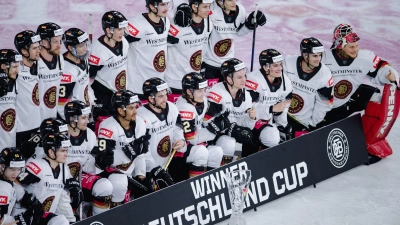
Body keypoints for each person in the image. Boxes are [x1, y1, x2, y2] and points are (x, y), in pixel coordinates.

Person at [322, 23, 399, 160]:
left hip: (349, 100)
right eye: (351, 47)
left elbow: (381, 66)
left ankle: (368, 139)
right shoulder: (323, 59)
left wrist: (389, 73)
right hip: (325, 110)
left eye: (357, 46)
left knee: (376, 96)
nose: (355, 50)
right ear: (340, 45)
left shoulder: (364, 57)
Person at [97, 90, 150, 205]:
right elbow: (104, 161)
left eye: (136, 107)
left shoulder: (140, 123)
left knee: (152, 174)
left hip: (131, 167)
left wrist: (141, 177)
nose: (136, 111)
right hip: (112, 171)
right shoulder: (108, 127)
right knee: (119, 184)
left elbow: (140, 154)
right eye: (131, 108)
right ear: (120, 110)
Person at [17, 133, 81, 224]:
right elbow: (15, 183)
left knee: (61, 221)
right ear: (51, 152)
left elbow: (62, 198)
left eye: (66, 151)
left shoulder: (64, 171)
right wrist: (25, 198)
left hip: (42, 216)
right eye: (63, 151)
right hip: (25, 216)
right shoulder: (37, 166)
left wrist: (71, 220)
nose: (66, 154)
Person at [63, 100, 113, 216]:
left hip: (79, 177)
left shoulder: (89, 134)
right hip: (58, 181)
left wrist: (99, 163)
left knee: (105, 186)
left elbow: (87, 166)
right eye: (83, 118)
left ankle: (99, 221)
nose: (87, 121)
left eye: (88, 117)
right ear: (72, 119)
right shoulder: (59, 135)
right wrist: (68, 181)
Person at [172, 73, 223, 182]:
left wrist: (217, 122)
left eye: (204, 89)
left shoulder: (201, 99)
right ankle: (197, 188)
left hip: (195, 143)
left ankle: (211, 185)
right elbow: (193, 139)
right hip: (180, 151)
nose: (203, 94)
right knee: (201, 152)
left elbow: (206, 120)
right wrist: (214, 130)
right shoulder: (184, 108)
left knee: (217, 152)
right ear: (189, 92)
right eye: (199, 91)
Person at [203, 58, 256, 163]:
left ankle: (234, 169)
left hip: (231, 134)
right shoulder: (217, 93)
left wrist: (251, 118)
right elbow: (206, 122)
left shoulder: (247, 95)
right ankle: (223, 169)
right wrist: (229, 129)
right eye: (239, 77)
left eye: (244, 76)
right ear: (229, 79)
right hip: (214, 136)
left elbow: (247, 127)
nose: (244, 80)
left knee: (244, 142)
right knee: (230, 144)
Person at [202, 0, 266, 82]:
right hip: (209, 64)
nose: (234, 2)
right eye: (230, 0)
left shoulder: (240, 10)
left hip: (228, 64)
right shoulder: (211, 9)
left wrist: (249, 25)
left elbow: (239, 32)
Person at [137, 78, 185, 188]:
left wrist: (180, 140)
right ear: (151, 98)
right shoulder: (141, 117)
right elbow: (142, 149)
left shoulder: (172, 108)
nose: (165, 99)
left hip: (166, 162)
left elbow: (176, 129)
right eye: (160, 96)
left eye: (165, 94)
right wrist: (154, 168)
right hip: (147, 169)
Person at [244, 49, 293, 156]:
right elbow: (246, 108)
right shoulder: (254, 80)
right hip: (247, 123)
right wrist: (271, 108)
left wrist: (282, 125)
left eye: (280, 64)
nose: (280, 68)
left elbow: (283, 106)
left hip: (267, 123)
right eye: (275, 66)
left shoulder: (286, 82)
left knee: (279, 135)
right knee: (244, 149)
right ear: (265, 67)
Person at [283, 37, 334, 136]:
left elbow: (324, 104)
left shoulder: (325, 74)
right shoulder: (287, 63)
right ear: (305, 55)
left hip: (301, 122)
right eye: (315, 56)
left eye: (320, 55)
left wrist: (312, 124)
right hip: (281, 115)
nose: (318, 59)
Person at [165, 0, 213, 94]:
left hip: (194, 81)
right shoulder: (177, 25)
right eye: (205, 7)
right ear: (194, 7)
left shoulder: (208, 23)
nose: (208, 10)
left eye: (209, 6)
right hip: (175, 81)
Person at [126, 0, 172, 95]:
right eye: (162, 5)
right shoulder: (137, 24)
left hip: (158, 85)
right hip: (138, 86)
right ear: (152, 6)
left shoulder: (166, 21)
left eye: (167, 4)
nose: (166, 8)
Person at [89, 11, 129, 117]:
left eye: (123, 29)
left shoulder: (124, 41)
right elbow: (86, 79)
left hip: (120, 94)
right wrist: (92, 100)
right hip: (104, 96)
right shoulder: (98, 53)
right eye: (119, 29)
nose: (122, 33)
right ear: (108, 30)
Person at [13, 30, 42, 149]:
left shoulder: (40, 65)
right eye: (34, 48)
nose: (39, 51)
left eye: (39, 47)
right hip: (20, 130)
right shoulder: (15, 70)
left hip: (38, 126)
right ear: (24, 51)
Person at [57, 28, 93, 121]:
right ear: (70, 48)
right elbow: (61, 105)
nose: (85, 48)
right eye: (81, 46)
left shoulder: (83, 59)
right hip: (77, 119)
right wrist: (74, 122)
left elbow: (85, 87)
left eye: (85, 44)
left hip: (84, 114)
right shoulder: (66, 70)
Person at [36, 22, 64, 121]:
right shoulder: (34, 63)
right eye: (55, 42)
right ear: (44, 42)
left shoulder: (60, 59)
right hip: (35, 120)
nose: (59, 45)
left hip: (53, 118)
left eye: (60, 41)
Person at [0, 49, 21, 151]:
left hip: (10, 143)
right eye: (14, 67)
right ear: (3, 67)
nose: (17, 71)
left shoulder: (16, 82)